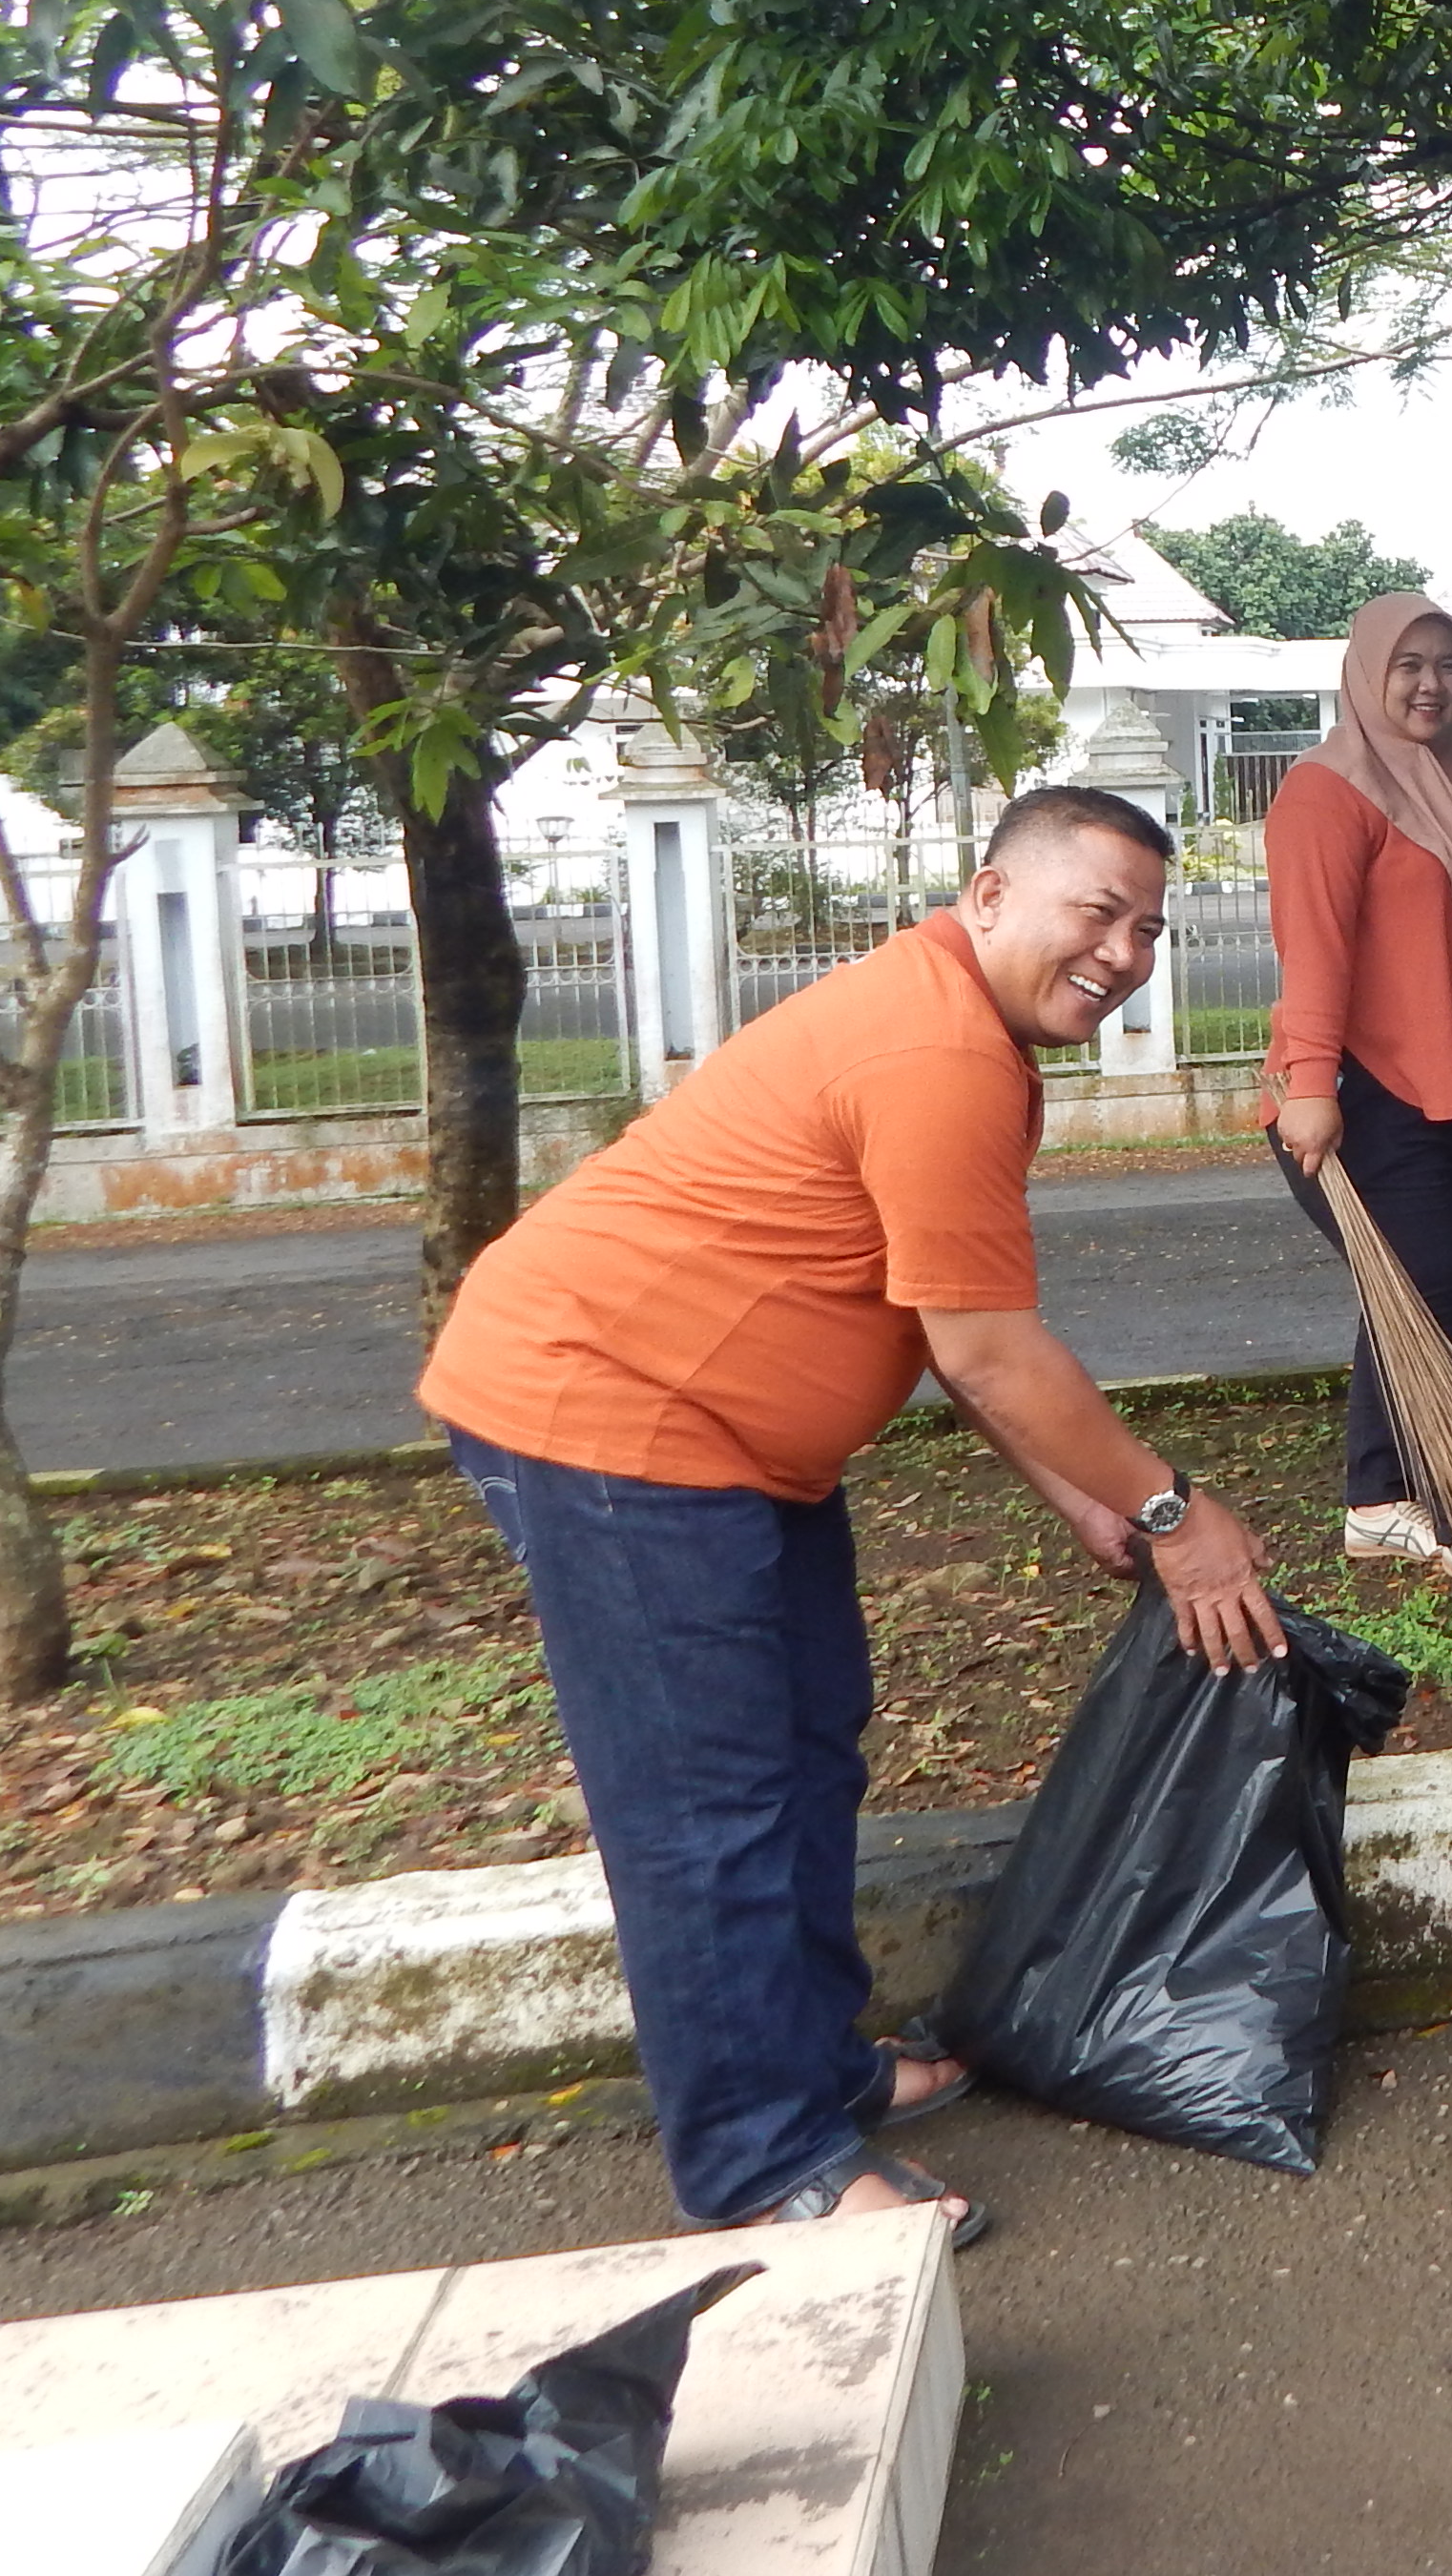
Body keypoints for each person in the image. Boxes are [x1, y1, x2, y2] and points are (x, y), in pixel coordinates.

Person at [421, 786, 1278, 2247]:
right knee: (709, 1802)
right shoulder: (936, 1045)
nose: (1126, 952)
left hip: (724, 1445)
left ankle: (807, 2066)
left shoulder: (963, 1030)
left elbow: (949, 1330)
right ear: (991, 895)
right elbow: (992, 1350)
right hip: (609, 1419)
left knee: (806, 1739)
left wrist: (1076, 1491)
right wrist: (1169, 1508)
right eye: (1098, 912)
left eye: (1147, 926)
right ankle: (762, 2161)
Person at [1263, 591, 1452, 1606]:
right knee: (1429, 1295)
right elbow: (1315, 950)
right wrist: (1307, 1085)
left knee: (1413, 1294)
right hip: (1357, 1092)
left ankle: (1375, 1501)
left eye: (1447, 664)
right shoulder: (1324, 792)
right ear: (1365, 672)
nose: (1430, 684)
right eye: (1408, 665)